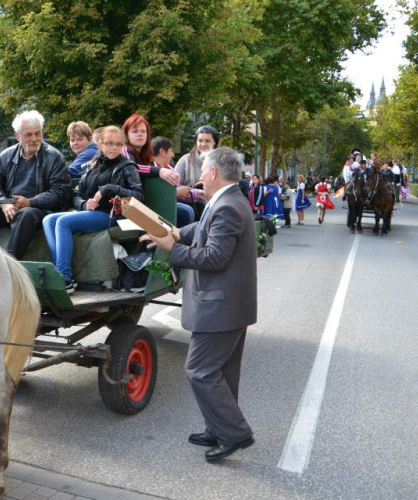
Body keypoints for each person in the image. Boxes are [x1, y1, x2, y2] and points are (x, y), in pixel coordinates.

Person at [140, 147, 256, 463]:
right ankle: (217, 427)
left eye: (203, 169)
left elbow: (214, 257)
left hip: (220, 307)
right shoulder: (227, 201)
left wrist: (170, 249)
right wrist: (174, 233)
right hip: (228, 305)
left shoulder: (227, 207)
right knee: (223, 371)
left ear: (215, 173)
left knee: (200, 370)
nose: (200, 174)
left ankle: (235, 433)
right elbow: (201, 230)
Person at [43, 126, 143, 293]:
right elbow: (76, 194)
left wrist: (111, 188)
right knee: (49, 220)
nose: (114, 148)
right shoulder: (92, 165)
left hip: (111, 215)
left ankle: (64, 277)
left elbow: (138, 196)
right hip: (89, 212)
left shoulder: (127, 167)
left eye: (118, 144)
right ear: (100, 144)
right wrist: (83, 204)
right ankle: (64, 273)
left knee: (63, 222)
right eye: (110, 143)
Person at [0, 109, 71, 259]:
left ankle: (10, 263)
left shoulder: (54, 157)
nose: (34, 139)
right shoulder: (6, 155)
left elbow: (61, 192)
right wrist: (4, 203)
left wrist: (30, 202)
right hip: (10, 207)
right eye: (28, 134)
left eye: (38, 133)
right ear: (17, 136)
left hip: (39, 210)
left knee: (26, 214)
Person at [175, 125, 219, 219]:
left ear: (215, 143)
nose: (203, 144)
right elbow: (174, 185)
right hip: (192, 206)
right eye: (200, 140)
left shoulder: (221, 163)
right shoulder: (185, 160)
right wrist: (194, 191)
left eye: (207, 141)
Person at [121, 114, 179, 186]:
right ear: (127, 135)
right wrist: (159, 171)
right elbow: (132, 168)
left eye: (143, 131)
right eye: (135, 131)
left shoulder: (147, 152)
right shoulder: (125, 150)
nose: (140, 134)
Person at [152, 136, 195, 228]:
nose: (173, 155)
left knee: (189, 210)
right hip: (153, 204)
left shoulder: (169, 169)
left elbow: (178, 188)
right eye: (171, 151)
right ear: (162, 152)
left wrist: (197, 193)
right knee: (185, 212)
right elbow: (154, 192)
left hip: (167, 201)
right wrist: (176, 192)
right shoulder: (151, 168)